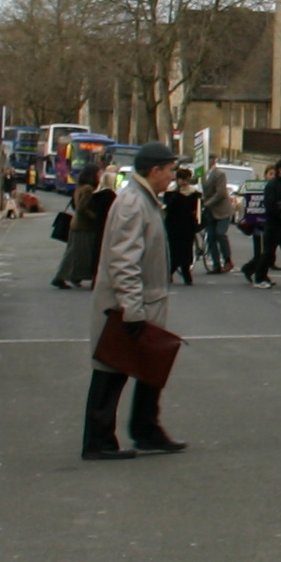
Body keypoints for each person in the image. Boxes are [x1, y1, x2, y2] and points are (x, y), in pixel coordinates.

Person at [84, 141, 185, 461]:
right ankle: (98, 441)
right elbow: (123, 261)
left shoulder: (144, 198)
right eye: (169, 171)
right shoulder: (132, 203)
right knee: (112, 369)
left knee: (148, 368)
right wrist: (131, 308)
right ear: (154, 171)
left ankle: (146, 430)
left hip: (143, 301)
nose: (172, 176)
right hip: (128, 304)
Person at [54, 158, 112, 291]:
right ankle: (60, 277)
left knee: (80, 254)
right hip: (83, 226)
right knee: (75, 254)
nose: (100, 176)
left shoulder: (80, 187)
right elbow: (81, 207)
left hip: (79, 225)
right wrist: (95, 217)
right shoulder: (87, 189)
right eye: (98, 174)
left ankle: (75, 276)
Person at [161, 167, 202, 287]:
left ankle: (185, 272)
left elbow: (197, 209)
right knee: (174, 249)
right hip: (173, 224)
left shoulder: (193, 193)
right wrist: (177, 193)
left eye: (187, 180)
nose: (184, 182)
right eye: (182, 179)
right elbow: (168, 206)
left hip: (187, 225)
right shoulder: (170, 192)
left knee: (186, 249)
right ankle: (171, 272)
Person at [201, 171, 239, 275]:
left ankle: (228, 260)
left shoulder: (219, 174)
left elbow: (220, 193)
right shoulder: (202, 174)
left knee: (220, 233)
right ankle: (216, 265)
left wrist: (206, 203)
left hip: (222, 211)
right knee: (211, 237)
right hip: (210, 212)